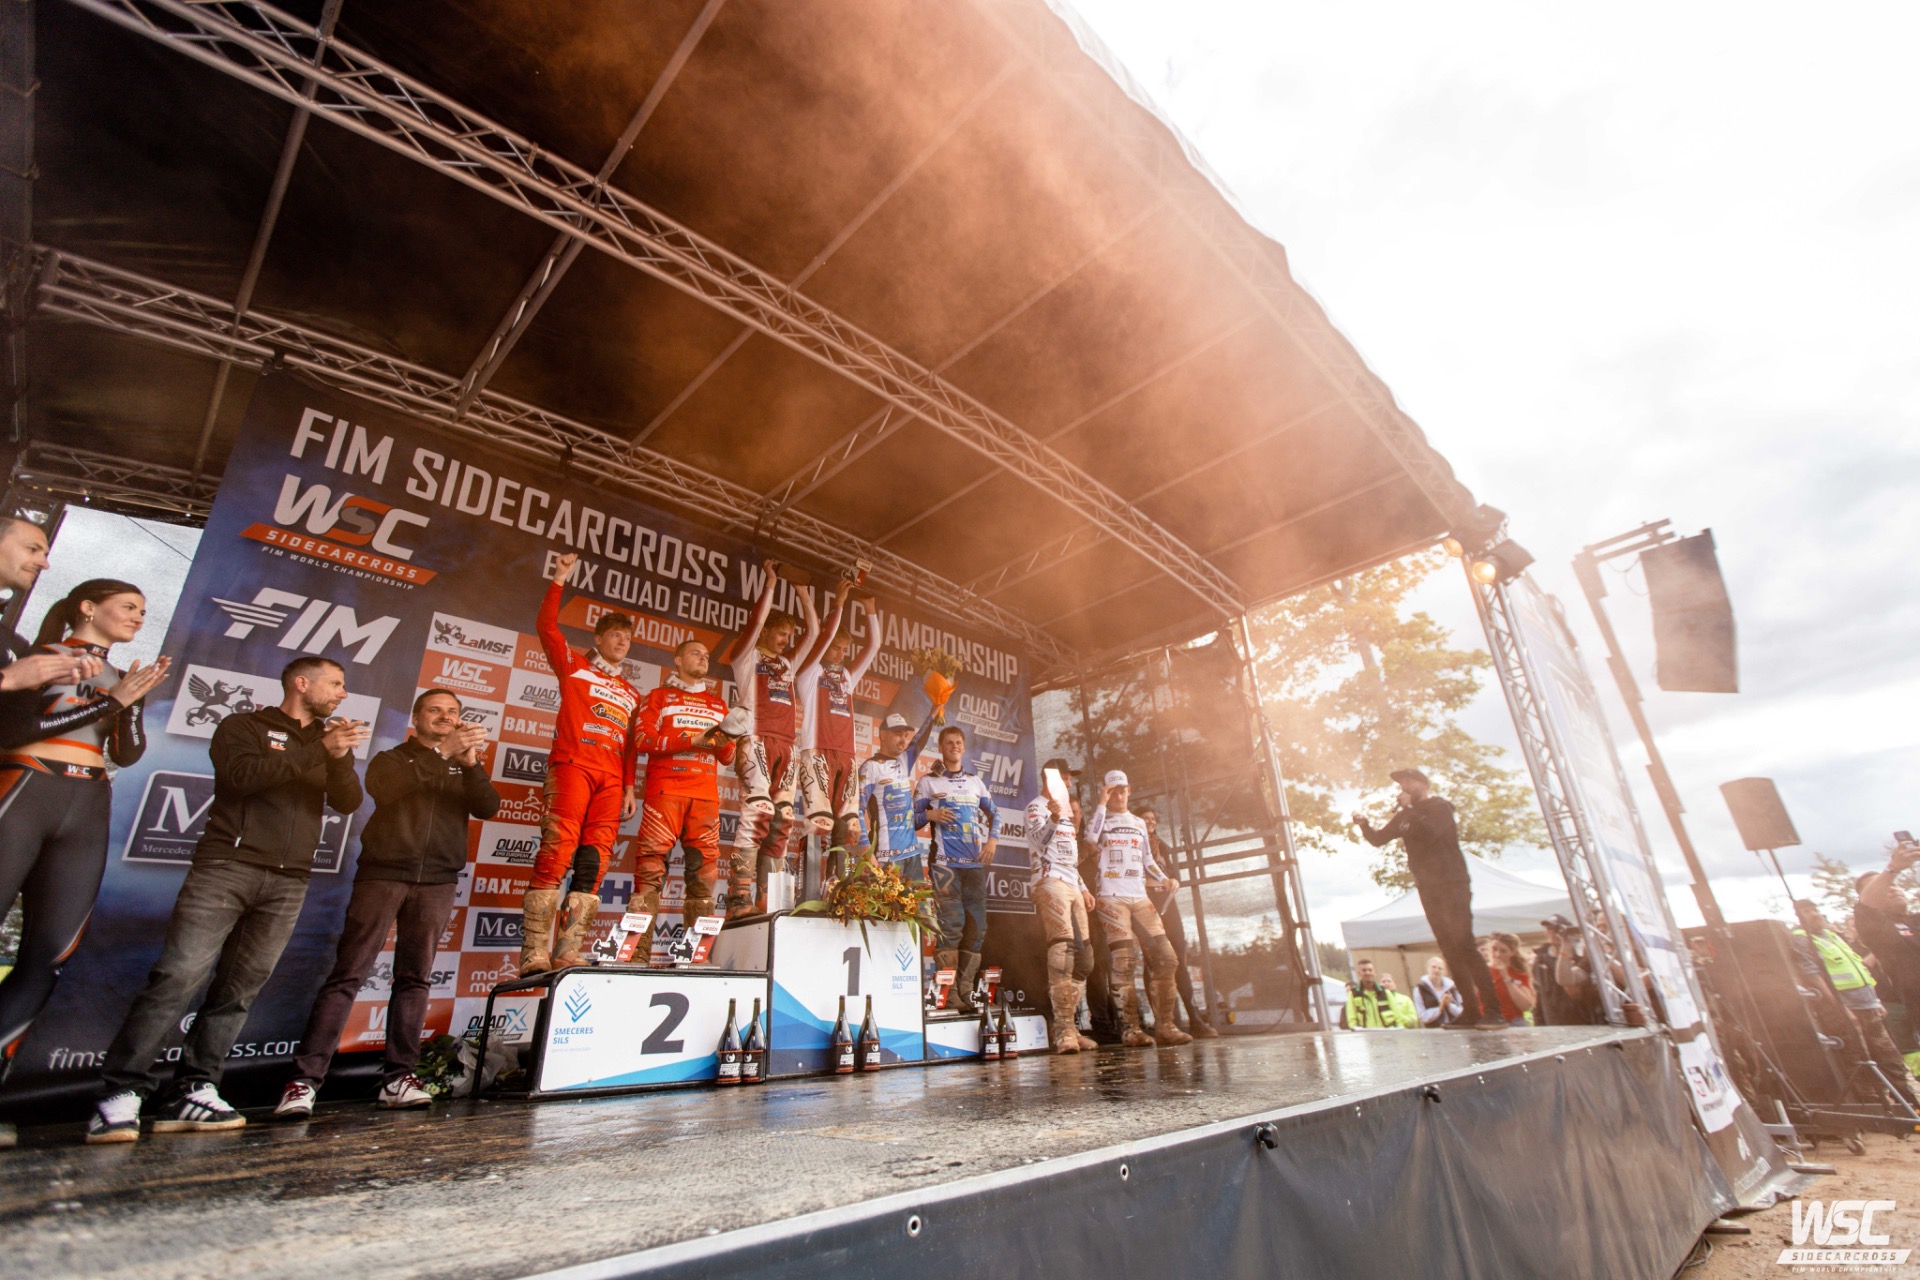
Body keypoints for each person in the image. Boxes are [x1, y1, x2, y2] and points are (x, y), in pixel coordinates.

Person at [87, 656, 366, 1143]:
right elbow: (242, 777)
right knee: (178, 976)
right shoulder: (244, 725)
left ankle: (195, 1088)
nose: (343, 694)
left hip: (289, 880)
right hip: (227, 867)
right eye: (336, 684)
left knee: (239, 991)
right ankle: (121, 1092)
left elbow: (347, 802)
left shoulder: (327, 741)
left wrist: (338, 757)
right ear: (302, 684)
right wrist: (318, 749)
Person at [0, 579, 170, 1150]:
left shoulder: (121, 676)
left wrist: (130, 701)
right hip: (26, 788)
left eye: (143, 611)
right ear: (88, 607)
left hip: (89, 801)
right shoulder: (40, 657)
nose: (138, 617)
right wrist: (112, 702)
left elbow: (127, 752)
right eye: (128, 607)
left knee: (49, 955)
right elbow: (16, 730)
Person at [274, 689, 499, 1118]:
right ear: (416, 718)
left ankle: (398, 1079)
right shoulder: (392, 758)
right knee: (348, 975)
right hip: (384, 875)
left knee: (414, 979)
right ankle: (303, 1082)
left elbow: (487, 807)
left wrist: (470, 764)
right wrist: (441, 754)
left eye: (453, 712)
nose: (446, 717)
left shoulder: (462, 763)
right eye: (435, 710)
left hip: (437, 881)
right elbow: (384, 789)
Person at [521, 551, 641, 975]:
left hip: (611, 780)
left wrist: (629, 786)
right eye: (615, 635)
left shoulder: (631, 693)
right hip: (573, 766)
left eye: (627, 638)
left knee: (594, 861)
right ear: (599, 639)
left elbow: (631, 745)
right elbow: (547, 628)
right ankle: (534, 953)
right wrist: (559, 579)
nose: (622, 642)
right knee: (557, 850)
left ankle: (568, 949)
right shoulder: (574, 667)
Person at [1353, 768, 1502, 1028]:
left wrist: (1409, 809)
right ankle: (1470, 1012)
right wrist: (1364, 824)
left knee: (1465, 945)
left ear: (1423, 784)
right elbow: (1379, 839)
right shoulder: (1405, 815)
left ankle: (1493, 1012)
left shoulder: (1440, 808)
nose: (1404, 787)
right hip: (1428, 887)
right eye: (1401, 784)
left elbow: (1430, 833)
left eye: (1408, 781)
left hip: (1452, 883)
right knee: (1449, 949)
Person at [721, 560, 819, 913]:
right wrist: (772, 583)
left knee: (783, 820)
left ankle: (768, 900)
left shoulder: (788, 664)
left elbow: (814, 633)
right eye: (780, 633)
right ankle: (738, 898)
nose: (785, 640)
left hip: (786, 747)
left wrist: (803, 592)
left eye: (788, 636)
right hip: (756, 741)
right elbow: (756, 621)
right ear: (764, 633)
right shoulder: (745, 656)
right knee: (757, 813)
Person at [631, 639, 746, 935]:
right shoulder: (658, 697)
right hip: (666, 793)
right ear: (678, 660)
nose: (703, 658)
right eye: (696, 653)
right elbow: (642, 740)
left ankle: (696, 953)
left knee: (704, 878)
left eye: (706, 655)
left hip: (705, 798)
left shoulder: (718, 705)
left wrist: (724, 741)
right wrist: (691, 739)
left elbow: (727, 757)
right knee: (649, 872)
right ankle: (638, 954)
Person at [1087, 770, 1191, 1048]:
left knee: (1167, 957)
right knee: (1124, 961)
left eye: (1122, 790)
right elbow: (1089, 839)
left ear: (1129, 790)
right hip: (1111, 896)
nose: (1119, 795)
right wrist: (1101, 802)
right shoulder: (1101, 819)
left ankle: (1166, 1026)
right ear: (1107, 792)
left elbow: (1147, 859)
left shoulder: (1138, 823)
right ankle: (1130, 1029)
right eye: (1113, 791)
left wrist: (1164, 878)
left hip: (1139, 895)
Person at [1791, 899, 1919, 1107]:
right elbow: (1812, 975)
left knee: (1890, 1057)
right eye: (1807, 911)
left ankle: (1907, 1101)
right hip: (1845, 1009)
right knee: (1861, 1060)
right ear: (1798, 917)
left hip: (1868, 1004)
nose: (1814, 914)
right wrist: (1840, 1008)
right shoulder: (1802, 940)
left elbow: (1858, 969)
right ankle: (1874, 1107)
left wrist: (1875, 1000)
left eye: (1815, 909)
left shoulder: (1832, 936)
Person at [915, 726, 996, 1008]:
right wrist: (931, 814)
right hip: (944, 866)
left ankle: (965, 992)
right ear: (941, 747)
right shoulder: (929, 782)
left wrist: (992, 841)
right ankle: (947, 997)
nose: (954, 746)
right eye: (949, 742)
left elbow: (995, 814)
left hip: (974, 866)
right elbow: (911, 819)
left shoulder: (975, 782)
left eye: (958, 742)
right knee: (951, 927)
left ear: (964, 747)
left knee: (978, 928)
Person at [796, 583, 878, 856]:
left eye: (844, 650)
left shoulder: (847, 678)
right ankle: (808, 881)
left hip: (847, 757)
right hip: (817, 753)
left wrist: (870, 611)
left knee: (847, 828)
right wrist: (839, 603)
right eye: (836, 649)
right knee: (818, 825)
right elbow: (825, 635)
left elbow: (873, 646)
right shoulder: (808, 674)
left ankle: (835, 882)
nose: (841, 654)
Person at [1025, 759, 1098, 1054]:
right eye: (1065, 778)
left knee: (1085, 959)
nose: (1069, 784)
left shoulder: (1066, 812)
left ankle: (1068, 1025)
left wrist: (1083, 886)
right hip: (1049, 881)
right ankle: (1064, 1031)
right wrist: (1053, 819)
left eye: (1069, 779)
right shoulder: (1036, 807)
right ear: (1050, 779)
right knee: (1063, 952)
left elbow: (1068, 857)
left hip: (1071, 884)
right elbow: (1039, 841)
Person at [0, 517, 105, 695]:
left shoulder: (11, 642)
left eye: (44, 554)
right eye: (32, 549)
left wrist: (36, 685)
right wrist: (8, 679)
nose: (44, 564)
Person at [1138, 803, 1217, 1038]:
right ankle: (1162, 1021)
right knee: (1154, 962)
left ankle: (1195, 1019)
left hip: (1168, 904)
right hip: (1145, 905)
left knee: (1179, 960)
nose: (1151, 822)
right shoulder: (1132, 845)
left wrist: (1172, 882)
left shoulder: (1163, 846)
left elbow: (1174, 875)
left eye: (1153, 818)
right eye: (1145, 818)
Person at [1854, 842, 1920, 1067]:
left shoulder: (1915, 919)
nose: (1892, 888)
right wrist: (1893, 868)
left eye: (1895, 884)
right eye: (1885, 886)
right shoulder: (1878, 928)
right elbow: (1866, 905)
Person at [856, 709, 937, 874]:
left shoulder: (903, 760)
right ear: (883, 735)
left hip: (913, 854)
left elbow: (919, 740)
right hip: (887, 857)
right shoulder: (870, 767)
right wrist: (866, 849)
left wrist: (934, 713)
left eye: (905, 736)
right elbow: (856, 810)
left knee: (917, 893)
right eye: (898, 735)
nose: (903, 741)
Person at [1532, 916, 1607, 1026]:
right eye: (1549, 929)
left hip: (1579, 1021)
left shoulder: (1579, 957)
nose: (1553, 933)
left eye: (1557, 930)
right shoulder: (1540, 961)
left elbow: (1579, 995)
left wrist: (1566, 947)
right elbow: (1539, 995)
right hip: (1552, 1022)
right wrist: (1539, 1023)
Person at [1340, 959, 1414, 1029]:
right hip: (1366, 1034)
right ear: (1359, 973)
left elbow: (1397, 1016)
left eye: (1370, 970)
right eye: (1364, 970)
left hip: (1387, 1034)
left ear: (1374, 972)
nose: (1367, 973)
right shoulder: (1353, 994)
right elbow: (1352, 1020)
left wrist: (1399, 1031)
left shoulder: (1385, 992)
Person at [1484, 932, 1536, 1026]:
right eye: (1494, 949)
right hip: (1487, 1021)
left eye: (1503, 951)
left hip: (1512, 1021)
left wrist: (1506, 977)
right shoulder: (1482, 972)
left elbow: (1526, 1007)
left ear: (1512, 952)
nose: (1497, 955)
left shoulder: (1519, 974)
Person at [1413, 956, 1464, 1028]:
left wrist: (1449, 1005)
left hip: (1454, 1028)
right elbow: (1422, 1017)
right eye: (1433, 967)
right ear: (1427, 968)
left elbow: (1461, 1012)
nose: (1437, 970)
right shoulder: (1419, 989)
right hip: (1433, 1030)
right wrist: (1440, 1008)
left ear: (1445, 972)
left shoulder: (1452, 988)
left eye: (1440, 968)